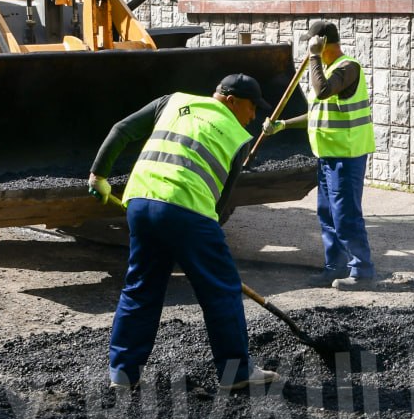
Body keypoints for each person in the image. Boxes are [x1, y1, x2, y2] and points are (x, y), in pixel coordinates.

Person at [87, 74, 278, 393]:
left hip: (140, 202)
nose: (253, 116)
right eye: (251, 107)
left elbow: (121, 129)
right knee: (221, 289)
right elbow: (220, 204)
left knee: (141, 287)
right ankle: (235, 371)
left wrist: (98, 175)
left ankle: (122, 373)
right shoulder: (237, 136)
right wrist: (197, 247)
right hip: (188, 210)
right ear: (231, 101)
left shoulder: (173, 100)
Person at [263, 20, 377, 290]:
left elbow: (322, 91)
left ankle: (362, 272)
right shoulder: (326, 70)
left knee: (346, 214)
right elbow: (318, 112)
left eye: (311, 43)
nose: (307, 48)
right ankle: (334, 267)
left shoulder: (348, 68)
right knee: (327, 214)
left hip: (347, 156)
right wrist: (284, 125)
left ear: (322, 43)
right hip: (327, 155)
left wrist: (314, 56)